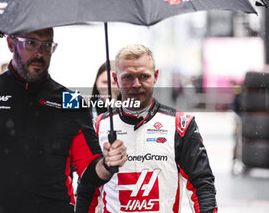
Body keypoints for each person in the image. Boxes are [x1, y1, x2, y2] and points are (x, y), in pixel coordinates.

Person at [0, 28, 127, 213]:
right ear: (11, 44)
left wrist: (107, 164)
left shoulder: (71, 101)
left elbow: (89, 170)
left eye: (47, 45)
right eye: (31, 43)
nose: (40, 53)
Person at [77, 44, 217, 213]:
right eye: (128, 77)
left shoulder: (181, 124)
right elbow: (87, 189)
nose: (136, 84)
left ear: (155, 76)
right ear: (115, 79)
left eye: (144, 76)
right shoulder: (98, 126)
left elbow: (202, 185)